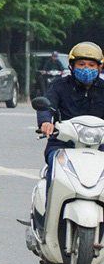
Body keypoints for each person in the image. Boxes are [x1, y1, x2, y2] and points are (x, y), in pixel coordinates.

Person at [37, 42, 104, 197]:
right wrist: (46, 122)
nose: (86, 69)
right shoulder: (59, 86)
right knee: (55, 168)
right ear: (72, 66)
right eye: (81, 64)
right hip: (63, 144)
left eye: (91, 65)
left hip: (100, 145)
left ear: (99, 68)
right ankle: (50, 214)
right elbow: (47, 106)